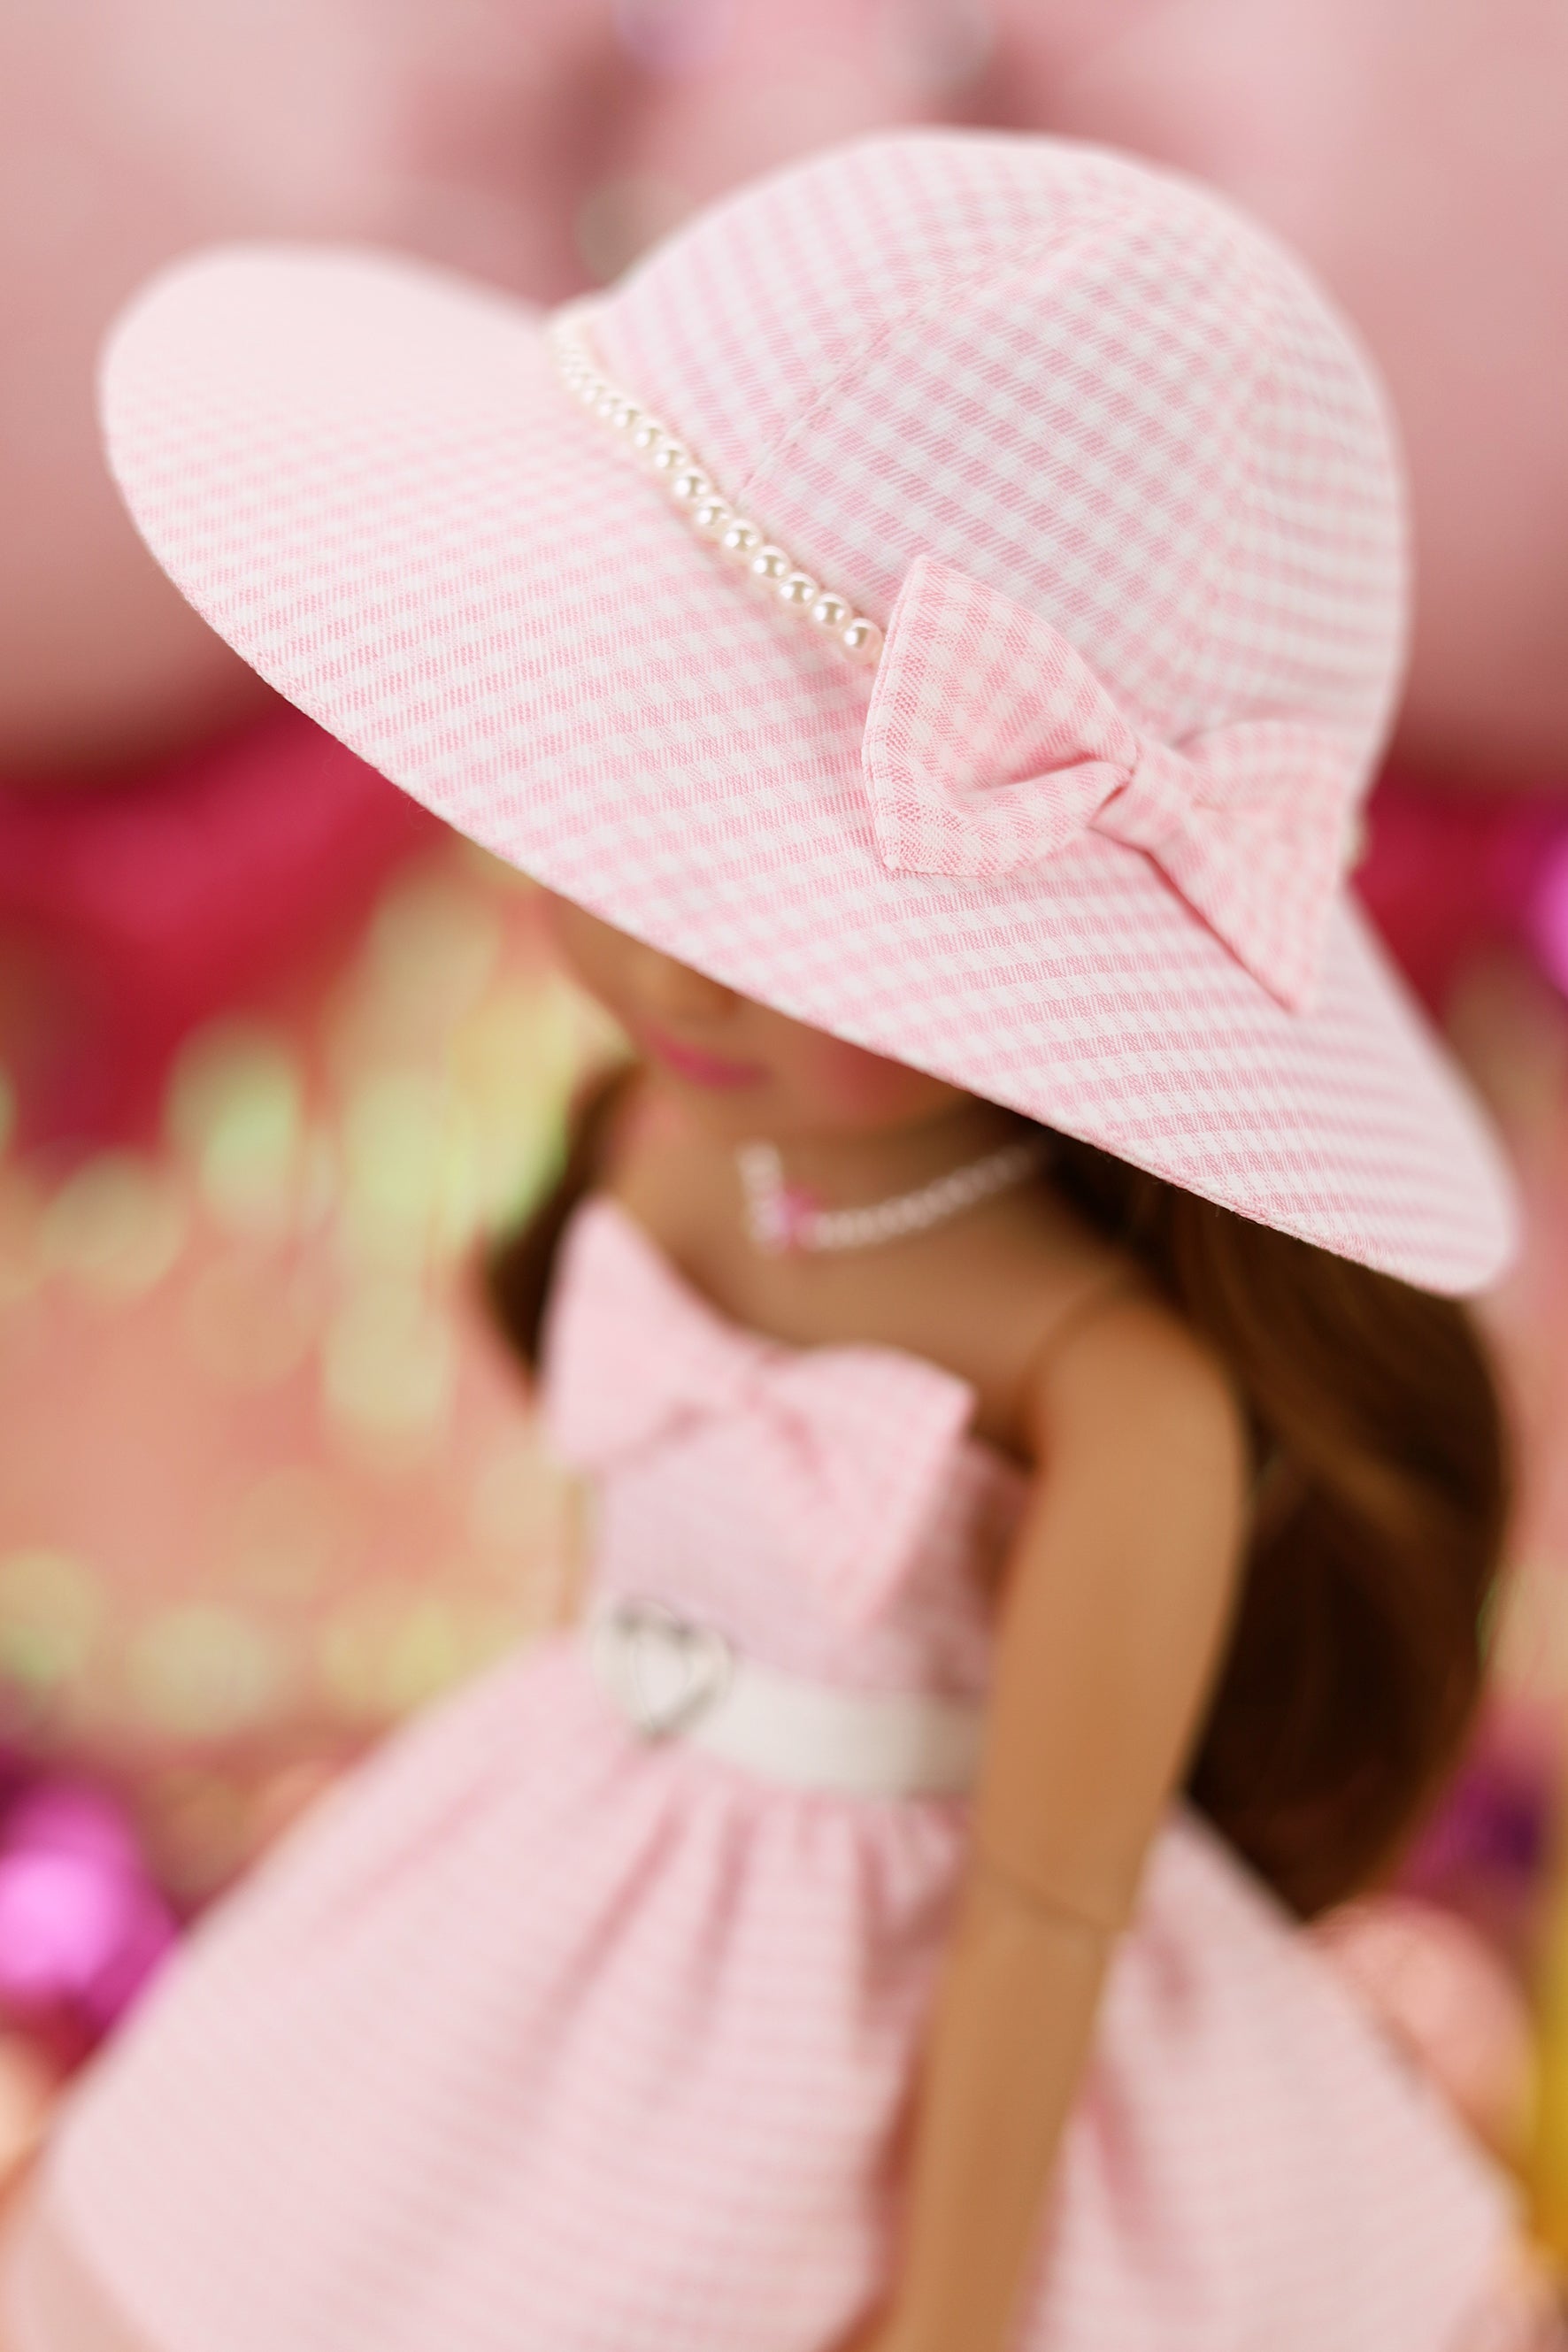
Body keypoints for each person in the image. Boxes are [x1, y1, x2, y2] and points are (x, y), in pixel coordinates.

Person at [0, 131, 1552, 2349]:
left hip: (939, 2017)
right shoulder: (663, 1139)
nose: (672, 976)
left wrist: (951, 2305)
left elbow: (1044, 1901)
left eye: (805, 928)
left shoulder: (1117, 1394)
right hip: (558, 1880)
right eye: (635, 846)